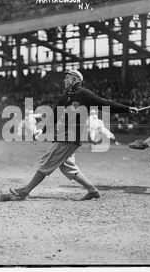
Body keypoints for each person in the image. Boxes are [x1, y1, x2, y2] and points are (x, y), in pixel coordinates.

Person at [9, 69, 138, 201]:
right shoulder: (64, 97)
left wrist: (126, 109)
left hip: (69, 137)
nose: (64, 80)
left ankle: (25, 191)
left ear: (75, 80)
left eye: (67, 78)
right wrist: (42, 130)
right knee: (67, 167)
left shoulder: (84, 94)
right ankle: (93, 191)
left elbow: (104, 104)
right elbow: (54, 116)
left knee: (47, 161)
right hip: (64, 136)